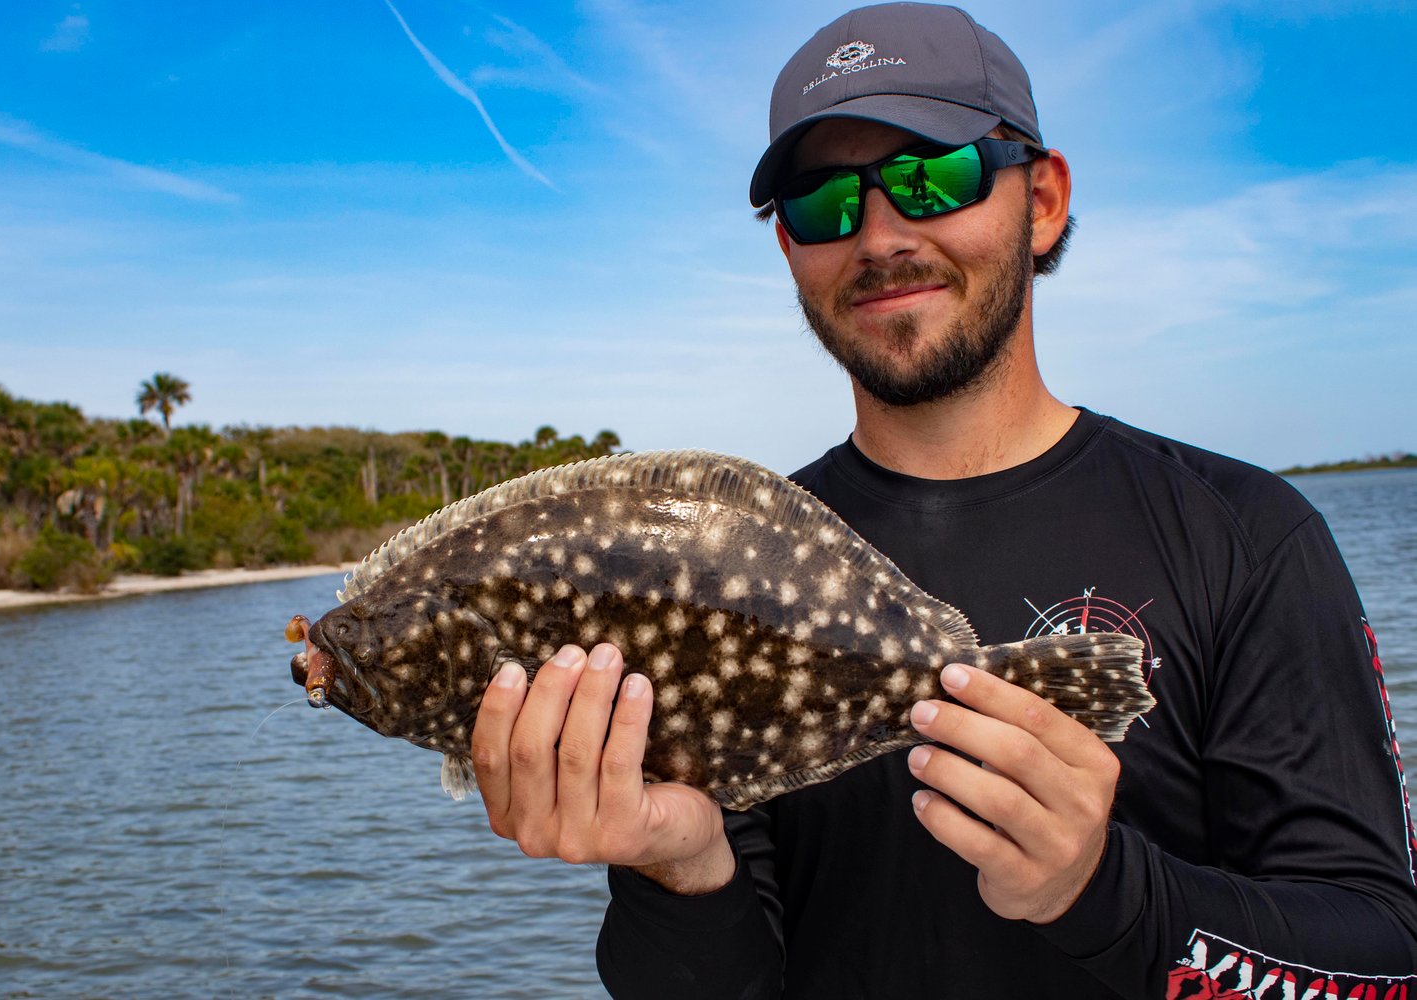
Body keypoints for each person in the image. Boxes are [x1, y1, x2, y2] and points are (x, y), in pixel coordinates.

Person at [469, 4, 1417, 996]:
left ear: (1040, 199)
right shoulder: (719, 577)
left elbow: (1381, 954)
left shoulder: (1247, 538)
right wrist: (677, 867)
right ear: (788, 248)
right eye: (821, 201)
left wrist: (1105, 890)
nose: (880, 235)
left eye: (935, 175)